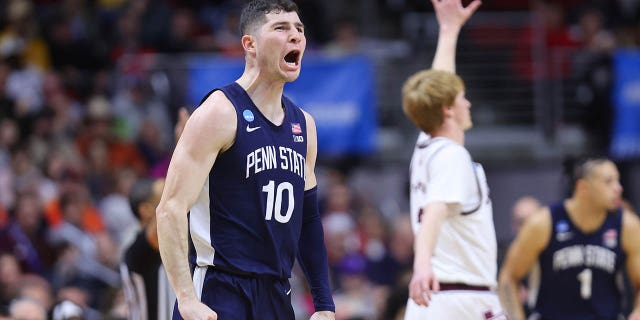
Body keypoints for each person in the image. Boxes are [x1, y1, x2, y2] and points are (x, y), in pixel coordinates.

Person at [155, 1, 335, 319]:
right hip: (219, 289)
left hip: (277, 294)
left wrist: (324, 304)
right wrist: (186, 298)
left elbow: (308, 219)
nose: (295, 36)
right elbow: (170, 208)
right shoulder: (220, 111)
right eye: (281, 28)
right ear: (249, 44)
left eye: (300, 29)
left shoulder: (304, 125)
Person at [401, 0, 506, 319]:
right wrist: (420, 267)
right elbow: (435, 210)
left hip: (434, 300)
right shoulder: (452, 156)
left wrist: (449, 31)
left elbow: (439, 85)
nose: (468, 103)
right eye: (462, 98)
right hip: (460, 298)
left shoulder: (427, 146)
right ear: (448, 109)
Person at [498, 158, 640, 320]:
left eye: (618, 181)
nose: (618, 188)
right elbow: (508, 277)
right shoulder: (544, 222)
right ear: (583, 187)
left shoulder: (628, 225)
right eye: (608, 182)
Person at [121, 177, 175, 320]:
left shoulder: (175, 244)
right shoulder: (136, 251)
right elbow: (160, 226)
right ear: (145, 210)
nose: (174, 194)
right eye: (164, 195)